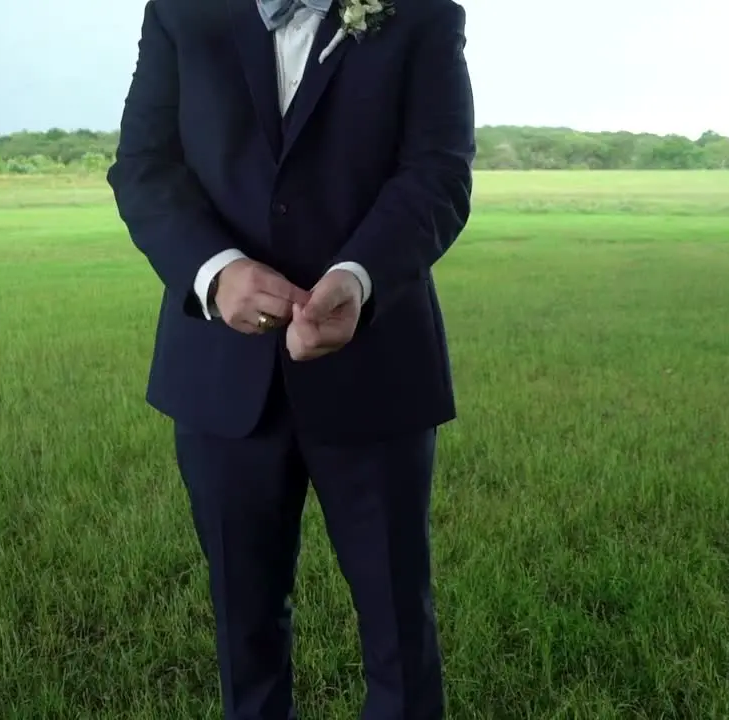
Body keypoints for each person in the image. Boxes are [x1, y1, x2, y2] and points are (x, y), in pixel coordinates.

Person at [106, 0, 474, 717]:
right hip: (220, 372)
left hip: (376, 369)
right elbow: (144, 166)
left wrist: (358, 280)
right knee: (244, 632)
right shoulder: (181, 12)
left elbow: (438, 173)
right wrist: (217, 272)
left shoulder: (421, 13)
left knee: (399, 626)